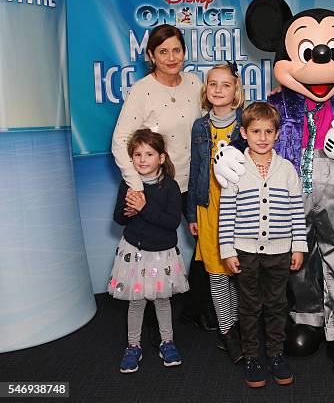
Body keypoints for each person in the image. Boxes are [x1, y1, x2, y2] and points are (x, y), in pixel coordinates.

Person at [111, 24, 218, 345]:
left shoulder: (195, 84)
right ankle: (152, 321)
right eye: (163, 51)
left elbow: (206, 128)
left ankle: (195, 308)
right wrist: (137, 186)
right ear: (150, 56)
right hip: (156, 186)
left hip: (193, 181)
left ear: (184, 52)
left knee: (204, 243)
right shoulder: (141, 91)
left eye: (176, 50)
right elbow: (120, 142)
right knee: (156, 249)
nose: (171, 57)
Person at [219, 102, 307, 388]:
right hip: (245, 252)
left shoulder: (287, 170)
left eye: (269, 131)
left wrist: (298, 246)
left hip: (280, 252)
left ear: (277, 134)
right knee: (249, 306)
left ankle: (276, 354)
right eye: (256, 131)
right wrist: (228, 249)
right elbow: (227, 211)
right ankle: (252, 357)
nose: (262, 137)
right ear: (243, 133)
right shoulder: (237, 169)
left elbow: (297, 211)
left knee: (276, 305)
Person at [109, 129, 189, 373]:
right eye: (137, 154)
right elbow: (118, 220)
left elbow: (171, 222)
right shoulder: (128, 185)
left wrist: (143, 208)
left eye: (149, 154)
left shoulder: (171, 187)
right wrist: (128, 210)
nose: (142, 159)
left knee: (162, 301)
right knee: (136, 302)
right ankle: (133, 346)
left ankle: (168, 342)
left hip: (161, 255)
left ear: (161, 158)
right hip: (135, 253)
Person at [186, 62, 245, 363]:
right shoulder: (200, 126)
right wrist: (192, 215)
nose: (219, 90)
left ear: (236, 91)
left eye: (225, 84)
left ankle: (238, 327)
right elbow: (196, 169)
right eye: (213, 84)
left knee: (237, 271)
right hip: (208, 210)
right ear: (206, 91)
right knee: (217, 273)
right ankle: (227, 331)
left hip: (240, 210)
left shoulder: (245, 125)